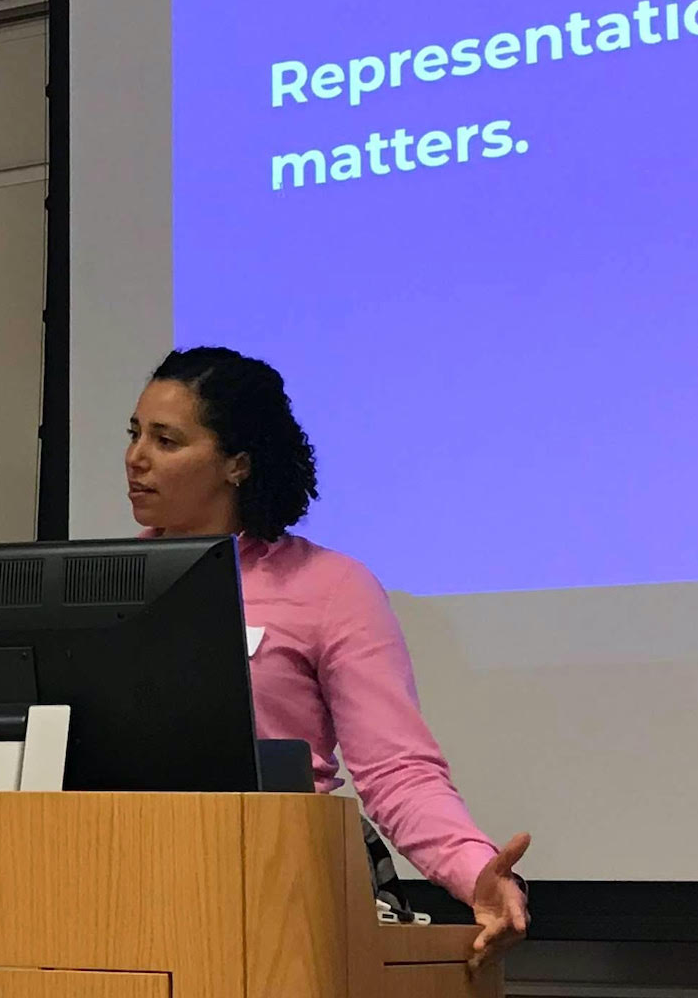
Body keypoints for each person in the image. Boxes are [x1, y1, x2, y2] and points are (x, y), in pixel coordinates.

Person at [126, 346, 530, 970]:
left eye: (167, 440)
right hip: (126, 884)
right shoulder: (108, 581)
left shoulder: (328, 587)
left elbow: (397, 771)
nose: (136, 458)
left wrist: (475, 871)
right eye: (134, 434)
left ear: (236, 464)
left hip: (280, 890)